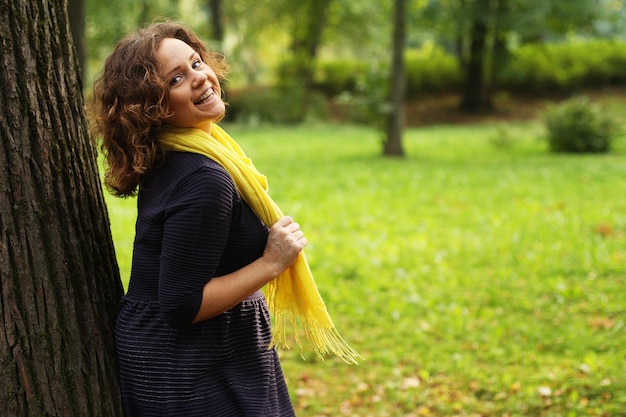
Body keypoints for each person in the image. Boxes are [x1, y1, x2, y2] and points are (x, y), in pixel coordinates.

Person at [93, 22, 306, 416]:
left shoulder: (183, 154)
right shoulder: (203, 178)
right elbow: (181, 305)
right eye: (176, 78)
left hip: (196, 354)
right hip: (190, 366)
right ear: (153, 107)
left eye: (195, 63)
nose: (199, 77)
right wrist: (272, 262)